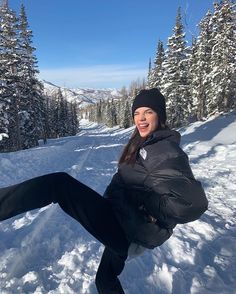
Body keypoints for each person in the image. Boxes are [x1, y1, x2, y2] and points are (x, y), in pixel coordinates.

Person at [0, 88, 208, 294]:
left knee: (58, 184)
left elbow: (192, 205)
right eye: (137, 113)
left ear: (160, 116)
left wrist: (148, 208)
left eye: (148, 112)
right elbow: (134, 180)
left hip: (124, 228)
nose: (141, 119)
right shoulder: (144, 143)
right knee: (105, 280)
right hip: (124, 222)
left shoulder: (163, 150)